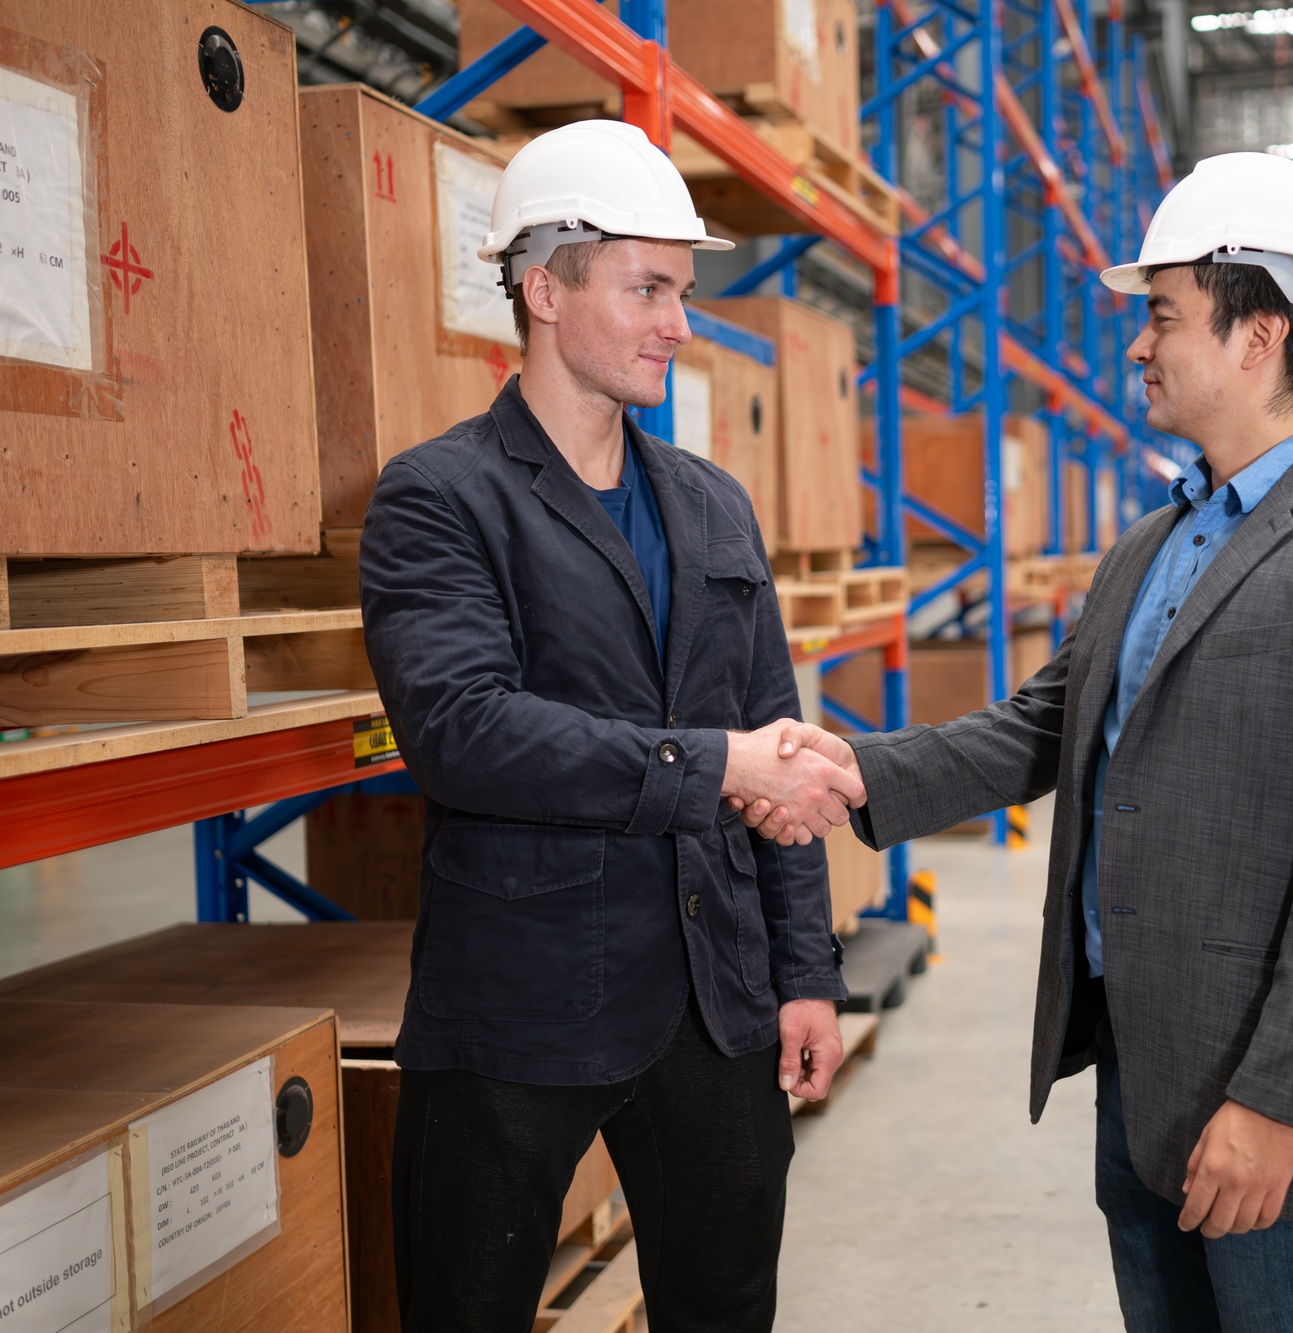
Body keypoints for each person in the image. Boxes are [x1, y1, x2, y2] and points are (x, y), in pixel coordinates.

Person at [742, 153, 1293, 1331]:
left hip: (1268, 1104)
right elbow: (1049, 721)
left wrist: (1273, 1102)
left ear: (1258, 335)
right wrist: (857, 770)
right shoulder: (1155, 542)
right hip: (1144, 1070)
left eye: (1162, 316)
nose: (1138, 346)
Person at [358, 119, 862, 1333]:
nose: (676, 325)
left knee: (724, 1305)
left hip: (716, 998)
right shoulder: (440, 497)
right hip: (522, 1000)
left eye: (680, 294)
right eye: (647, 289)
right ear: (542, 289)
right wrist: (712, 766)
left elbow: (773, 740)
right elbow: (465, 730)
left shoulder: (709, 504)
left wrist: (804, 975)